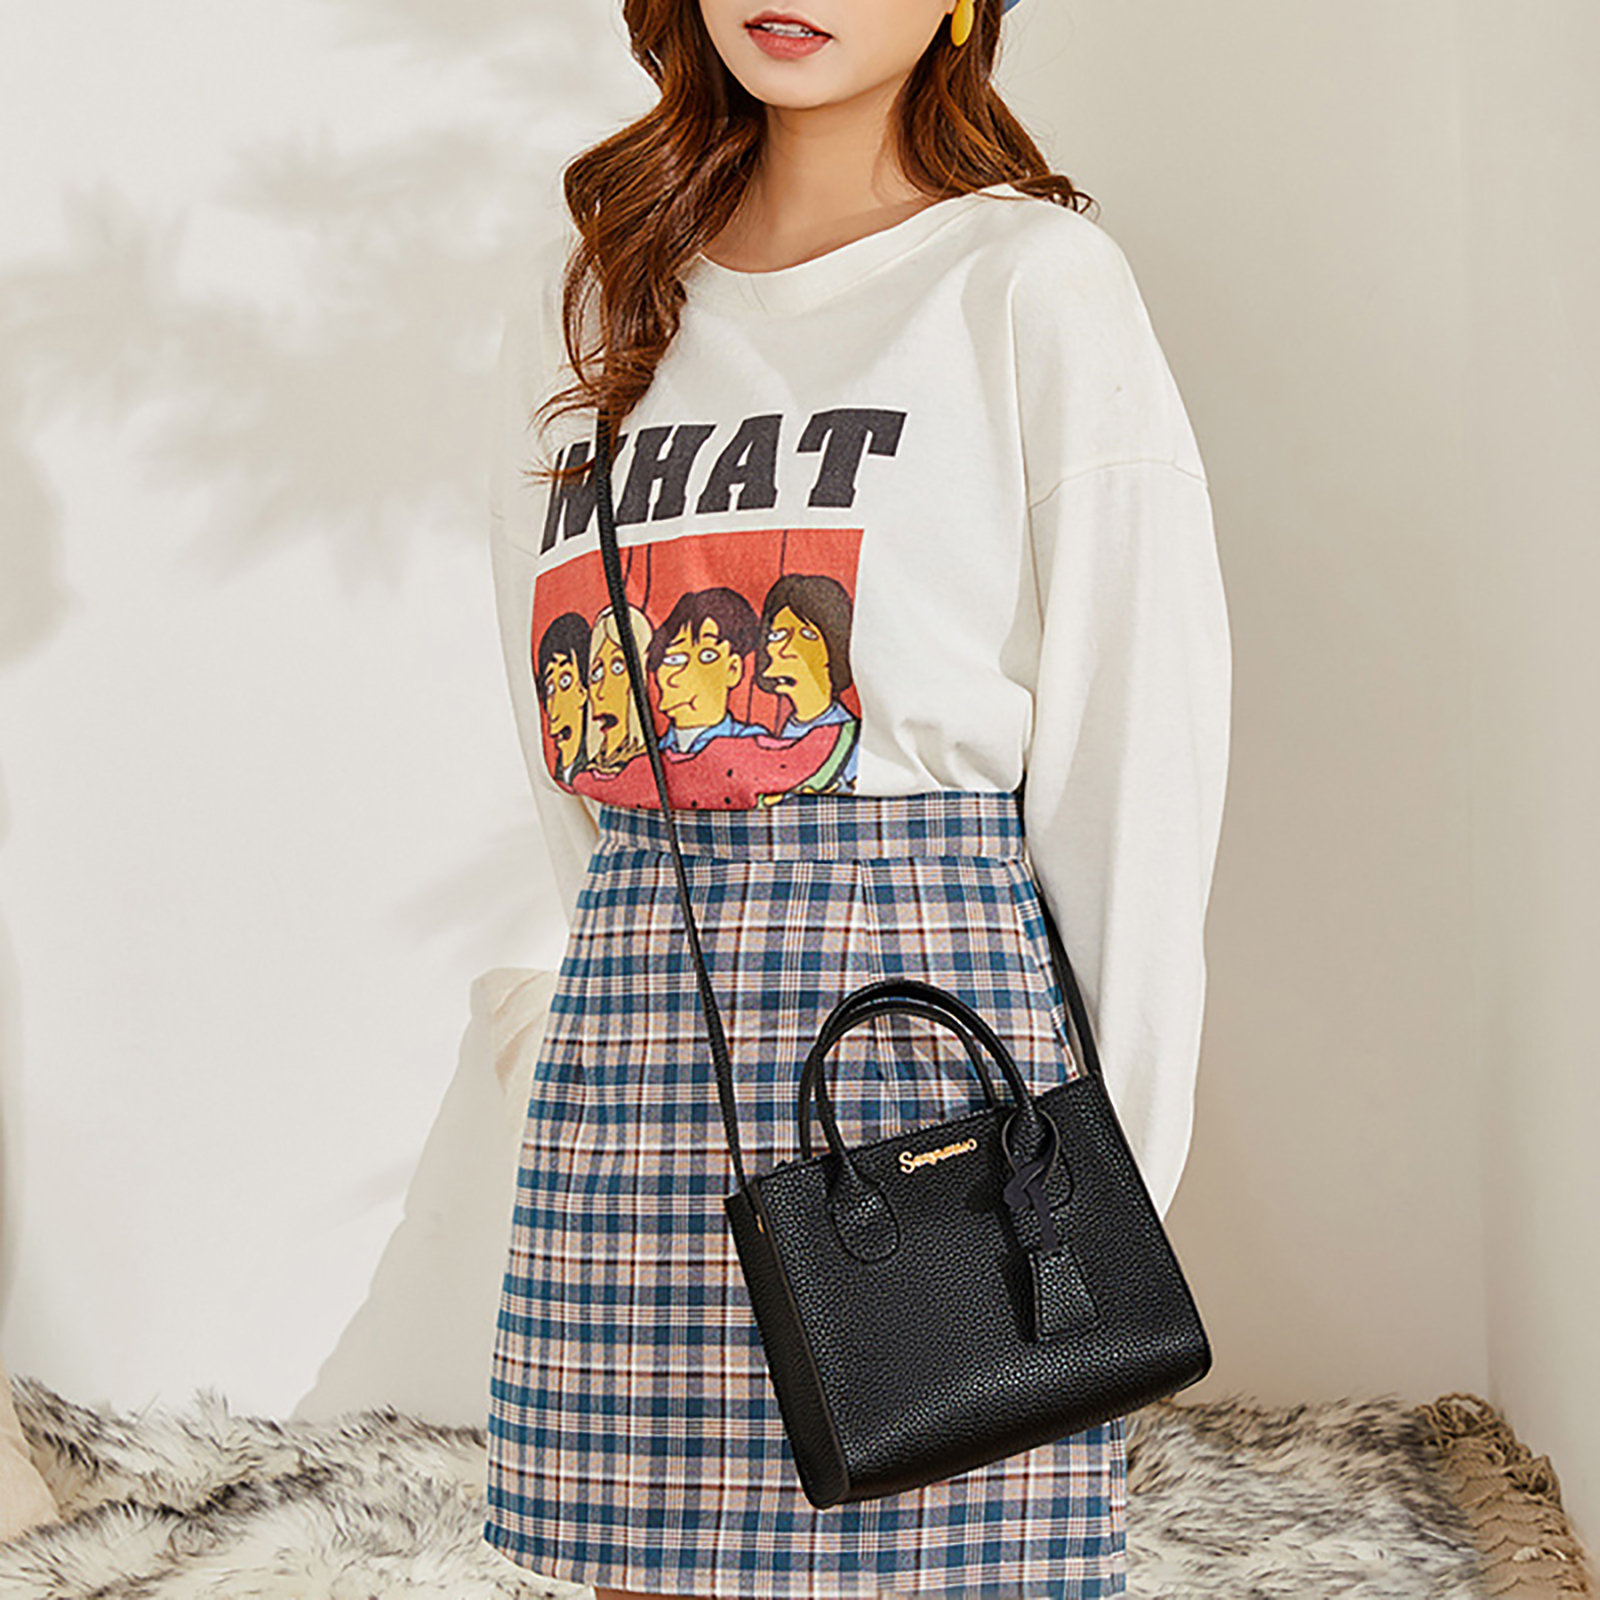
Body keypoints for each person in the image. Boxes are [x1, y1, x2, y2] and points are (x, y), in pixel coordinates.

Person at [483, 0, 1231, 1587]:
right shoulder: (594, 300)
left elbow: (1136, 768)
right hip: (643, 1043)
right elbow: (566, 723)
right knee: (641, 1565)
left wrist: (1111, 1200)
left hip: (932, 1057)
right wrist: (601, 984)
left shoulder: (1029, 283)